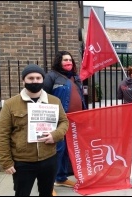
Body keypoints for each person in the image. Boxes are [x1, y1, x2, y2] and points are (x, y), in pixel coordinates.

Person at [0, 64, 69, 196]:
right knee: (22, 193)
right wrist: (6, 162)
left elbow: (64, 121)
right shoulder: (10, 104)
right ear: (23, 80)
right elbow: (2, 135)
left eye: (38, 78)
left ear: (43, 80)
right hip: (22, 161)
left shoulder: (54, 101)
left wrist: (55, 135)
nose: (35, 81)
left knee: (46, 192)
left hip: (49, 158)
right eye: (30, 78)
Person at [43, 51, 87, 194]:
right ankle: (48, 185)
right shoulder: (52, 76)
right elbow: (43, 96)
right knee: (57, 150)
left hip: (75, 120)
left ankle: (61, 178)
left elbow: (81, 97)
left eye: (70, 60)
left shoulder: (75, 77)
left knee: (67, 150)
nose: (68, 62)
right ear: (58, 62)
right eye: (65, 60)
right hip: (58, 120)